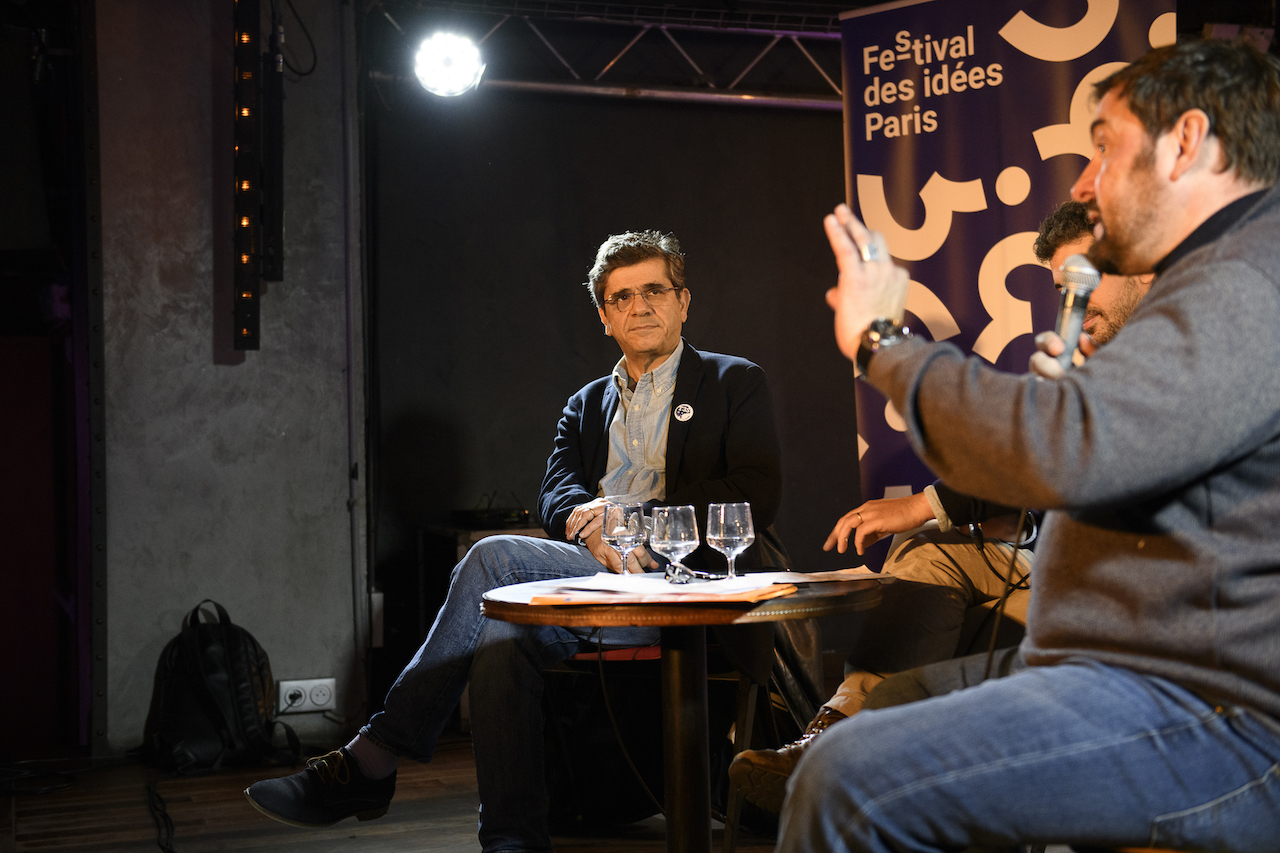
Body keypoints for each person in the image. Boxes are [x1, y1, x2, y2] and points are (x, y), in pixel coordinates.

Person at [781, 39, 1280, 853]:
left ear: (1187, 142)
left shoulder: (1248, 284)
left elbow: (1059, 448)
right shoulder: (1221, 280)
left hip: (1213, 716)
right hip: (1120, 676)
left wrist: (883, 342)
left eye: (1106, 147)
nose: (1084, 183)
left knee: (847, 782)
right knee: (871, 725)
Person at [245, 230, 785, 852]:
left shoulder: (733, 382)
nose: (640, 306)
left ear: (683, 302)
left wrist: (635, 518)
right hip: (593, 576)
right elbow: (556, 492)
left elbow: (756, 492)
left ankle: (373, 758)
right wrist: (587, 520)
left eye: (655, 291)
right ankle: (511, 842)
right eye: (622, 297)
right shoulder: (585, 404)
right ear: (605, 316)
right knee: (502, 635)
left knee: (493, 572)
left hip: (687, 584)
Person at [727, 200, 1153, 813]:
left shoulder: (1175, 351)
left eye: (1086, 281)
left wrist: (883, 348)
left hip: (1133, 595)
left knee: (925, 559)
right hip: (1062, 561)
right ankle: (830, 733)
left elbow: (1073, 461)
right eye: (1065, 289)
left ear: (1140, 264)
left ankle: (852, 766)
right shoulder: (1094, 353)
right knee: (930, 553)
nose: (1073, 305)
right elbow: (1036, 457)